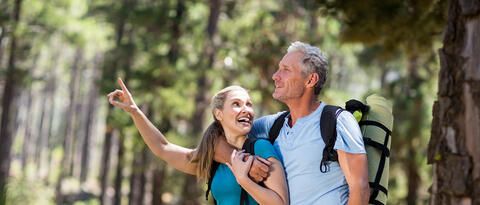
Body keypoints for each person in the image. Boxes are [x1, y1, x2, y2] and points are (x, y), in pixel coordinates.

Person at [215, 41, 370, 205]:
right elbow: (220, 137)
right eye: (278, 68)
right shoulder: (273, 125)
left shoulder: (337, 121)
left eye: (285, 70)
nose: (275, 76)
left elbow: (360, 190)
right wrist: (246, 163)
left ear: (310, 80)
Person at [107, 80, 289, 205]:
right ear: (219, 114)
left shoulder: (261, 148)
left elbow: (281, 203)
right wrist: (134, 111)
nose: (246, 110)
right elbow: (163, 148)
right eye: (236, 104)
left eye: (249, 104)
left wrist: (243, 180)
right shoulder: (213, 160)